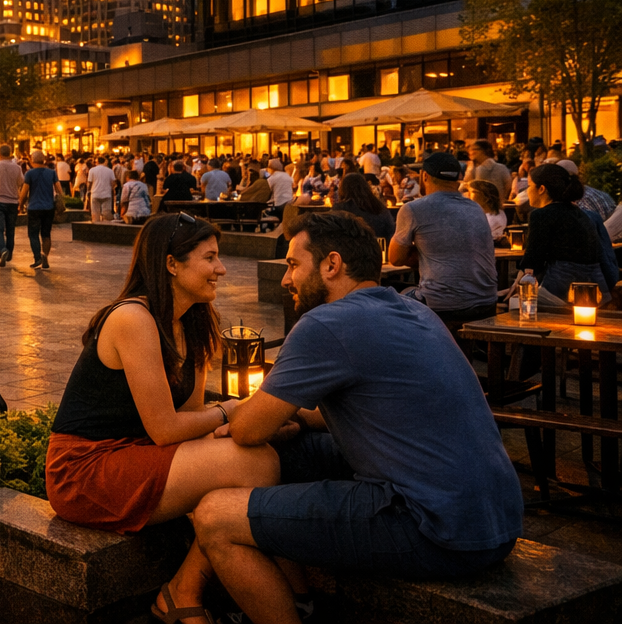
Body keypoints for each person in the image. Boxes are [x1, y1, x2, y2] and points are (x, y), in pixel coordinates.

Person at [191, 213, 522, 623]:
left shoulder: (327, 323)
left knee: (214, 516)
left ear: (332, 264)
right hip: (497, 516)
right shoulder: (413, 309)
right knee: (286, 453)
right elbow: (387, 409)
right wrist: (298, 420)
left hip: (434, 526)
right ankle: (297, 598)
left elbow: (246, 428)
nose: (285, 279)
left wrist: (233, 416)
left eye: (294, 265)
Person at [48, 213, 278, 622]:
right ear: (172, 264)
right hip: (84, 469)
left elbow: (189, 422)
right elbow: (166, 428)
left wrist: (244, 422)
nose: (221, 269)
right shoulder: (132, 319)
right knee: (258, 462)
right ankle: (184, 589)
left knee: (256, 448)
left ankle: (186, 587)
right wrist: (230, 409)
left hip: (138, 453)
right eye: (210, 258)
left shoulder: (193, 322)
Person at [388, 151, 498, 332]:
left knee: (386, 303)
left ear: (424, 176)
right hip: (487, 302)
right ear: (458, 179)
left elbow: (395, 258)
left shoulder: (414, 209)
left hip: (443, 307)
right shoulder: (475, 207)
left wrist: (419, 252)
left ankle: (412, 359)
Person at [522, 163, 612, 299]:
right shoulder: (581, 213)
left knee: (516, 304)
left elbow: (534, 260)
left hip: (562, 291)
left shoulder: (541, 215)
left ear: (541, 189)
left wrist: (521, 277)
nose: (526, 191)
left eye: (529, 186)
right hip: (597, 291)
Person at [0, 144, 26, 266]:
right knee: (10, 230)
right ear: (10, 153)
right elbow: (21, 183)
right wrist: (21, 200)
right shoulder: (17, 168)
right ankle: (9, 253)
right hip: (12, 201)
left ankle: (2, 250)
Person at [332, 172, 395, 240]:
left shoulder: (339, 210)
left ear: (343, 189)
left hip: (348, 248)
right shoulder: (379, 207)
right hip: (378, 247)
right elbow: (391, 232)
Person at [23, 149, 58, 269]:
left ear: (32, 160)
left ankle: (37, 257)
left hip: (34, 207)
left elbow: (24, 191)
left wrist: (20, 204)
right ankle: (45, 256)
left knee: (33, 234)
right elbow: (59, 190)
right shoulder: (52, 173)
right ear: (44, 160)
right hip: (49, 207)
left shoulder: (29, 174)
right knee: (46, 234)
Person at [88, 155, 116, 223]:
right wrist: (112, 190)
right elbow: (113, 183)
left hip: (95, 193)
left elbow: (89, 182)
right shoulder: (110, 171)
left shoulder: (92, 170)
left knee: (95, 213)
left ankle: (95, 225)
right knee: (106, 213)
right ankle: (105, 227)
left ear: (96, 162)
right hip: (107, 194)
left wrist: (88, 191)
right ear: (105, 162)